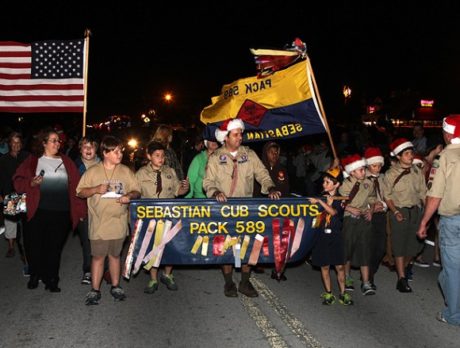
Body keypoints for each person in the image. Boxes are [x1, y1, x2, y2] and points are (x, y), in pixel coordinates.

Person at [203, 118, 281, 297]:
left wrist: (270, 187)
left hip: (246, 209)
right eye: (236, 134)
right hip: (224, 210)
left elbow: (262, 174)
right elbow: (207, 182)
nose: (240, 137)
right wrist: (215, 192)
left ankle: (245, 282)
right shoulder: (215, 157)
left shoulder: (249, 154)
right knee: (227, 246)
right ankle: (229, 282)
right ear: (226, 137)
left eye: (241, 133)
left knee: (248, 245)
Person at [13, 127, 86, 292]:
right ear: (44, 143)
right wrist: (31, 183)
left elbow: (77, 187)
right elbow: (17, 181)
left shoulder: (66, 162)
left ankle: (51, 279)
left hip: (61, 213)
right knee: (34, 246)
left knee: (54, 248)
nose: (57, 143)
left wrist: (80, 210)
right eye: (53, 140)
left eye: (58, 140)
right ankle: (35, 274)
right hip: (37, 211)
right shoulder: (33, 160)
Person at [77, 135, 141, 305]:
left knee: (114, 256)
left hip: (118, 224)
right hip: (98, 224)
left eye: (121, 151)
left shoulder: (125, 171)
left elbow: (137, 191)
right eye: (116, 151)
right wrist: (96, 189)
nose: (120, 154)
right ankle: (95, 290)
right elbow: (80, 192)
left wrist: (129, 196)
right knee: (98, 257)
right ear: (105, 153)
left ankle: (116, 286)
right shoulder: (93, 172)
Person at [417, 115, 460, 325]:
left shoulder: (446, 156)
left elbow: (436, 194)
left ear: (448, 133)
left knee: (451, 269)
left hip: (453, 220)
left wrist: (424, 221)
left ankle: (454, 314)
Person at [135, 141, 189, 294]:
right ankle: (153, 279)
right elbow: (134, 193)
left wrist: (185, 187)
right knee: (154, 247)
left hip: (169, 216)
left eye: (162, 156)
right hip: (150, 217)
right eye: (157, 155)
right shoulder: (140, 174)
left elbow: (178, 191)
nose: (161, 159)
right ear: (149, 156)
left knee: (170, 246)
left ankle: (167, 274)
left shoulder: (170, 171)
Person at [384, 138, 426, 293]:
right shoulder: (390, 174)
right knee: (399, 245)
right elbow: (387, 196)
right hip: (399, 211)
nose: (410, 156)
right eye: (406, 153)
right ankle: (401, 279)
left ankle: (402, 266)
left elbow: (423, 193)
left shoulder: (417, 171)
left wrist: (426, 214)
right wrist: (395, 211)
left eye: (411, 153)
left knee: (415, 246)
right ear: (398, 157)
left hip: (415, 212)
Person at [309, 167, 353, 306]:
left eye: (328, 182)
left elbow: (334, 213)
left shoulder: (341, 199)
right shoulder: (321, 198)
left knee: (339, 267)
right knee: (325, 266)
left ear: (337, 184)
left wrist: (321, 202)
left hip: (335, 237)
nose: (324, 184)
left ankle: (343, 293)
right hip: (322, 237)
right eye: (324, 181)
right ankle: (328, 293)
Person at [339, 154, 376, 296]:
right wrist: (349, 208)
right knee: (348, 248)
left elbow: (373, 198)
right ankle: (347, 277)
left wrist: (371, 210)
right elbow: (340, 202)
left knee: (364, 249)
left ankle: (366, 282)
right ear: (352, 171)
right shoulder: (346, 184)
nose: (363, 172)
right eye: (360, 169)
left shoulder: (369, 183)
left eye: (364, 169)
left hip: (363, 219)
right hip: (349, 219)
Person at [254, 141, 290, 279]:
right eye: (271, 152)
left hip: (277, 210)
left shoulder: (282, 169)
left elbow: (286, 190)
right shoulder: (259, 168)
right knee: (260, 237)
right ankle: (257, 262)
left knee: (278, 239)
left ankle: (278, 269)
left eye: (277, 152)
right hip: (261, 209)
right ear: (265, 153)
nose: (274, 155)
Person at [74, 136, 101, 285]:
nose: (88, 150)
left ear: (96, 149)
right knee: (87, 241)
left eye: (92, 146)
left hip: (102, 209)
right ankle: (88, 270)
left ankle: (106, 269)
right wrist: (79, 212)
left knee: (104, 240)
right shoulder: (75, 166)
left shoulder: (105, 164)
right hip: (84, 210)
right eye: (85, 146)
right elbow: (73, 192)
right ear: (80, 149)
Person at [0, 132, 28, 259]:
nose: (16, 145)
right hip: (10, 194)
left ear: (21, 144)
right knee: (10, 222)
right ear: (9, 143)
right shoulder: (3, 159)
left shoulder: (27, 157)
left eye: (18, 142)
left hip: (25, 194)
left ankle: (25, 247)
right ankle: (11, 247)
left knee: (25, 222)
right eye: (13, 142)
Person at [364, 147, 387, 290]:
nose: (377, 168)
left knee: (380, 247)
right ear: (367, 165)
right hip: (367, 216)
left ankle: (371, 270)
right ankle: (368, 277)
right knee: (368, 247)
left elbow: (388, 196)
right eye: (374, 165)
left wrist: (383, 205)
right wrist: (370, 207)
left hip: (381, 215)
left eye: (379, 165)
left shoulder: (383, 178)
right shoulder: (362, 178)